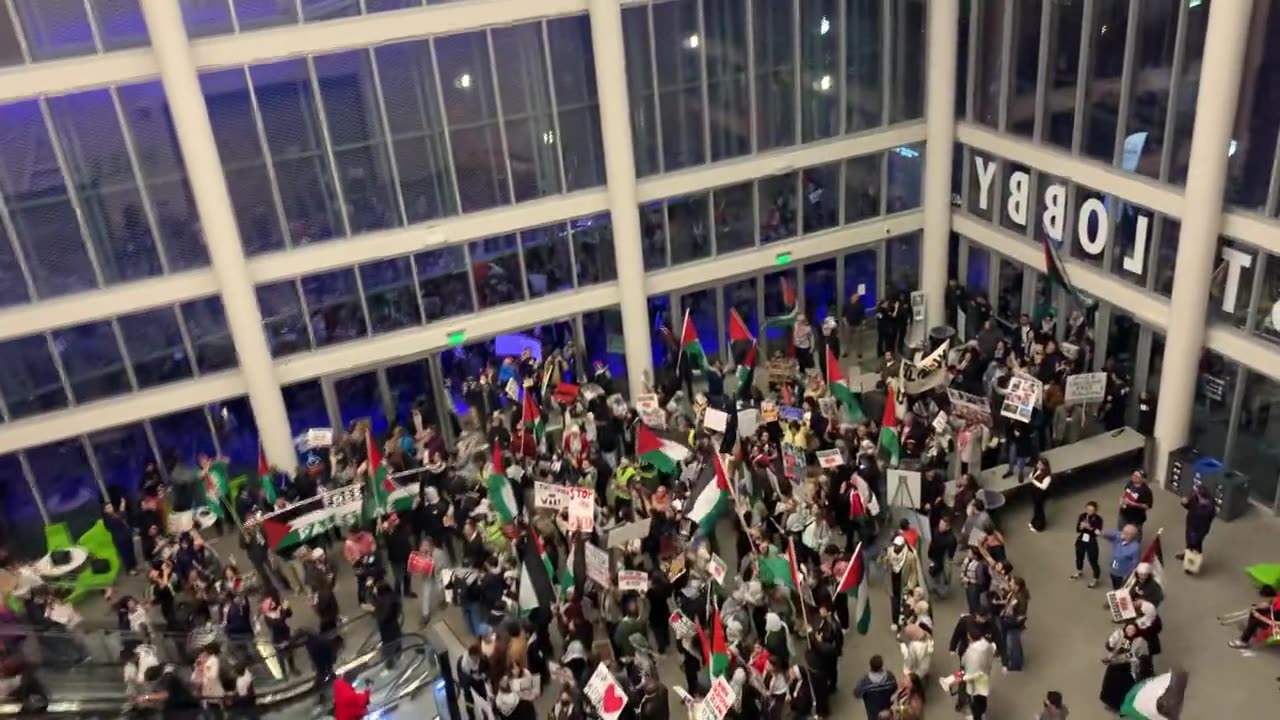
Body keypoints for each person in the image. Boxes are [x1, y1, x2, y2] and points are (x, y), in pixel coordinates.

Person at [1099, 622, 1149, 711]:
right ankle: (1111, 703)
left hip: (1128, 667)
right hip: (1115, 665)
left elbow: (1142, 654)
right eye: (1128, 629)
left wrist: (1138, 663)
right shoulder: (1118, 634)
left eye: (1133, 630)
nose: (1130, 631)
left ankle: (1124, 705)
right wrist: (1110, 645)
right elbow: (1110, 644)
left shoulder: (1139, 641)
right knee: (1110, 685)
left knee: (1126, 687)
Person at [959, 625, 995, 720]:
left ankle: (977, 717)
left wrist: (964, 678)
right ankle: (982, 713)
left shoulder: (972, 652)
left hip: (975, 679)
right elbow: (991, 657)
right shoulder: (987, 645)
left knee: (975, 701)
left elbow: (965, 664)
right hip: (984, 675)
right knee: (983, 696)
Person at [1178, 483, 1215, 565]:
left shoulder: (1210, 505)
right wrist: (1185, 503)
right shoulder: (1195, 498)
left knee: (1196, 545)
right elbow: (1190, 507)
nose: (1194, 493)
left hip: (1200, 529)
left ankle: (1194, 563)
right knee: (1189, 542)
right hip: (1191, 524)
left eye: (1196, 492)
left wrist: (1200, 505)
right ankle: (1187, 555)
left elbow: (1205, 516)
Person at [852, 654, 897, 719]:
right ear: (881, 666)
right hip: (888, 714)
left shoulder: (865, 681)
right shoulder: (890, 677)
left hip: (873, 715)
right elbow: (895, 689)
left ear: (871, 666)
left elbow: (856, 694)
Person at [1070, 501, 1103, 588]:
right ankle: (1079, 571)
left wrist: (1090, 528)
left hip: (1091, 540)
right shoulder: (1082, 516)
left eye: (1091, 510)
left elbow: (1097, 533)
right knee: (1079, 557)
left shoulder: (1098, 519)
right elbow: (1077, 529)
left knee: (1093, 560)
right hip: (1082, 539)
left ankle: (1096, 578)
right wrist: (1081, 527)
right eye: (1088, 509)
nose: (1089, 511)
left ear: (1095, 511)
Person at [1101, 524, 1141, 590]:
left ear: (1131, 535)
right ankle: (1115, 589)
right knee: (1113, 580)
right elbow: (1108, 536)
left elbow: (1135, 562)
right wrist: (1103, 534)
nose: (1122, 533)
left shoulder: (1135, 547)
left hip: (1122, 572)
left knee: (1121, 586)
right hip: (1113, 567)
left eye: (1126, 533)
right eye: (1123, 531)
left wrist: (1129, 574)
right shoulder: (1119, 536)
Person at [1118, 470, 1154, 538]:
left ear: (1143, 479)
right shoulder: (1130, 483)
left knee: (1135, 534)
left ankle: (1134, 547)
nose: (1133, 477)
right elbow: (1124, 493)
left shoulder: (1146, 491)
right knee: (1121, 530)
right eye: (1133, 475)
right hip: (1123, 513)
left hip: (1136, 518)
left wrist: (1133, 504)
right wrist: (1121, 500)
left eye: (1137, 476)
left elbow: (1148, 506)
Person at [1028, 457, 1052, 532]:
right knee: (1036, 508)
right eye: (1038, 463)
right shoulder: (1036, 469)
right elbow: (1031, 476)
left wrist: (1033, 481)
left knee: (1040, 509)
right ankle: (1034, 521)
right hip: (1035, 492)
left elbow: (1043, 487)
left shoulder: (1047, 476)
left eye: (1040, 464)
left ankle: (1040, 526)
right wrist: (1032, 478)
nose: (1038, 465)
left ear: (1045, 466)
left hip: (1041, 494)